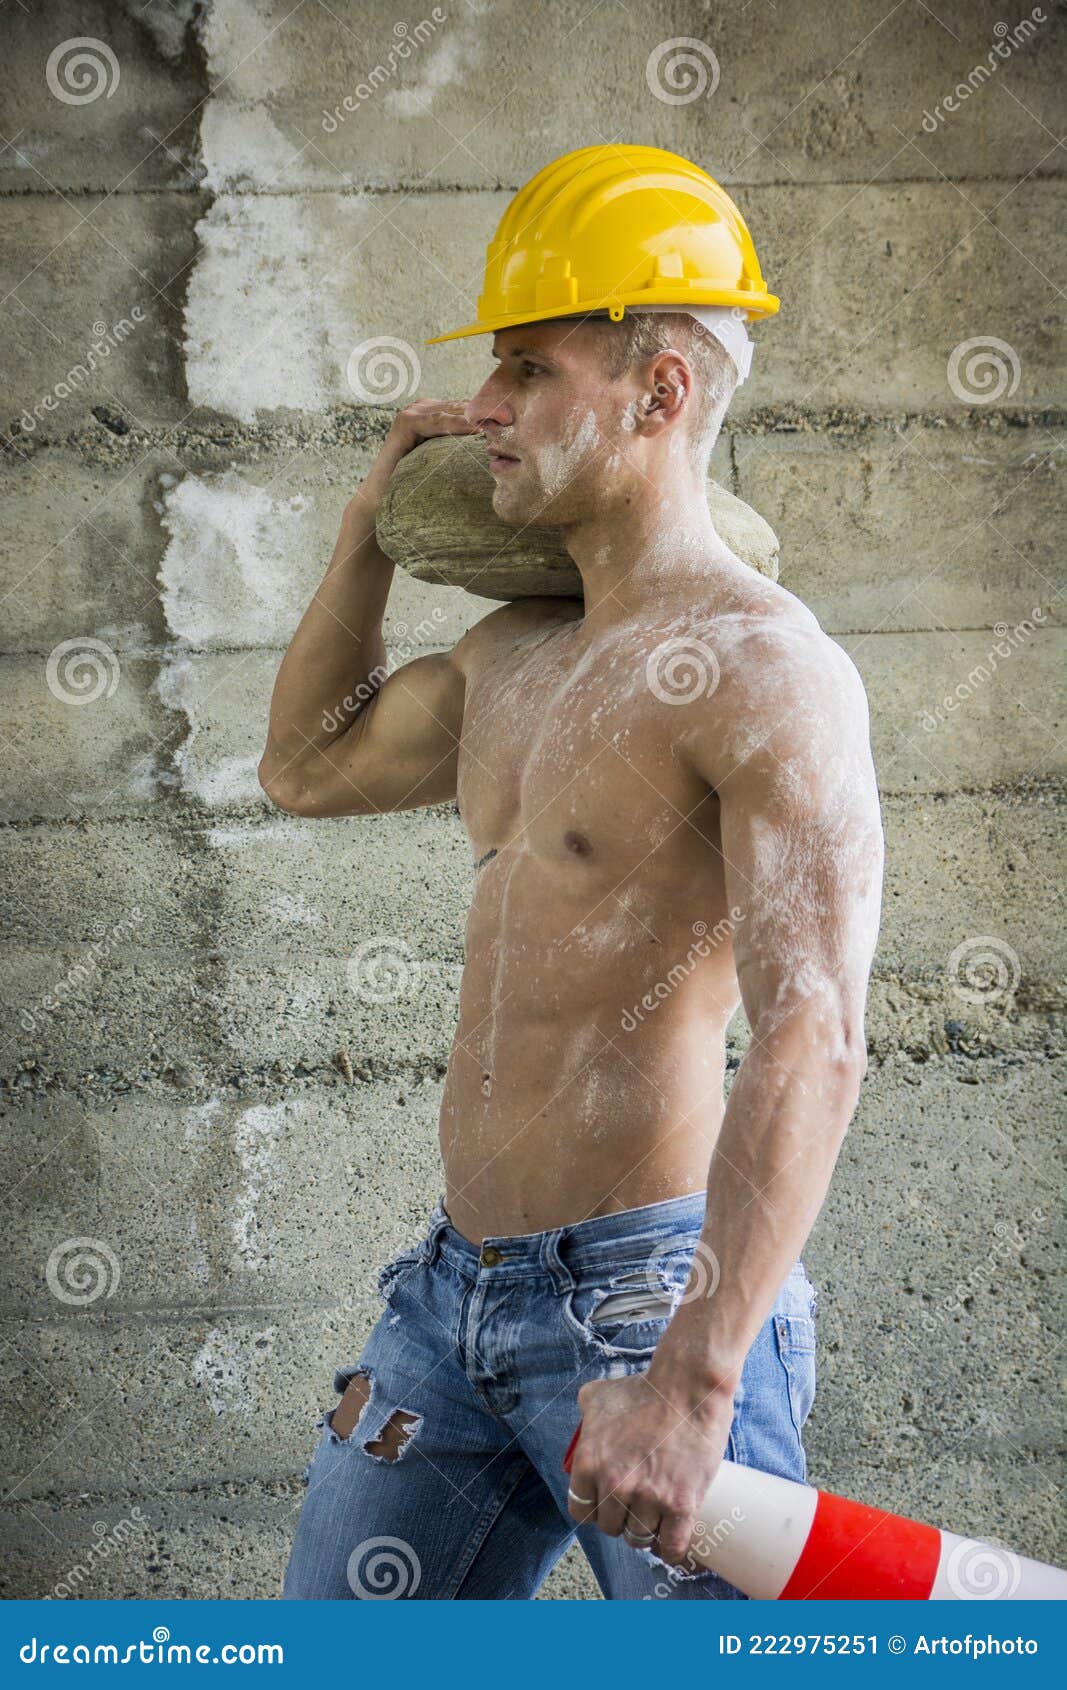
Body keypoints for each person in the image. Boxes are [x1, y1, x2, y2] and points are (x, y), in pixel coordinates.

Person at [259, 145, 884, 1600]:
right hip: (449, 1296)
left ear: (660, 392)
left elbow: (816, 1031)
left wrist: (698, 1380)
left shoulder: (765, 669)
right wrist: (363, 539)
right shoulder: (509, 660)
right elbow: (303, 766)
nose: (482, 406)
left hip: (649, 1304)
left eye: (529, 370)